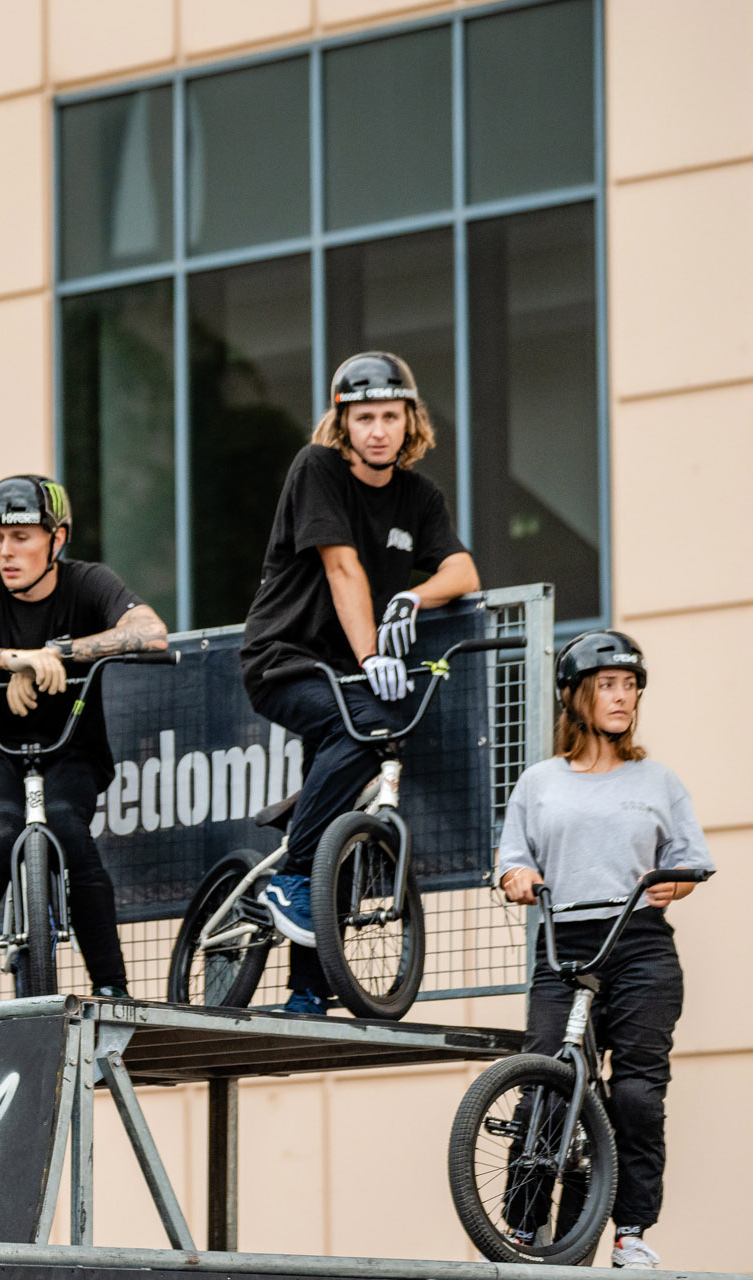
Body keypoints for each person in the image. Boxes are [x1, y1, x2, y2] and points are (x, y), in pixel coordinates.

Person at [237, 351, 479, 1015]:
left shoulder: (419, 497)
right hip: (285, 658)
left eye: (390, 416)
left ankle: (308, 990)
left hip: (347, 675)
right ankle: (287, 877)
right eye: (364, 417)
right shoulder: (317, 469)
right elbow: (343, 569)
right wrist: (373, 653)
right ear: (343, 423)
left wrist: (414, 599)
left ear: (410, 421)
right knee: (368, 727)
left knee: (343, 824)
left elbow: (463, 572)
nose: (378, 430)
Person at [497, 632, 711, 1271]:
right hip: (566, 942)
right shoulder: (540, 783)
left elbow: (691, 859)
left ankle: (631, 1231)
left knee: (638, 1095)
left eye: (631, 686)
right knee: (545, 1084)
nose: (623, 697)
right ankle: (526, 1227)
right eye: (609, 685)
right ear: (577, 697)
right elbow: (511, 860)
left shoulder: (658, 780)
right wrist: (516, 879)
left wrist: (677, 879)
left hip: (639, 942)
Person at [0, 475, 168, 1008]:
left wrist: (59, 652)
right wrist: (16, 660)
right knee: (0, 832)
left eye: (22, 537)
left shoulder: (89, 582)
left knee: (70, 828)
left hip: (71, 749)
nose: (6, 551)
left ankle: (111, 985)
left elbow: (150, 632)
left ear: (58, 538)